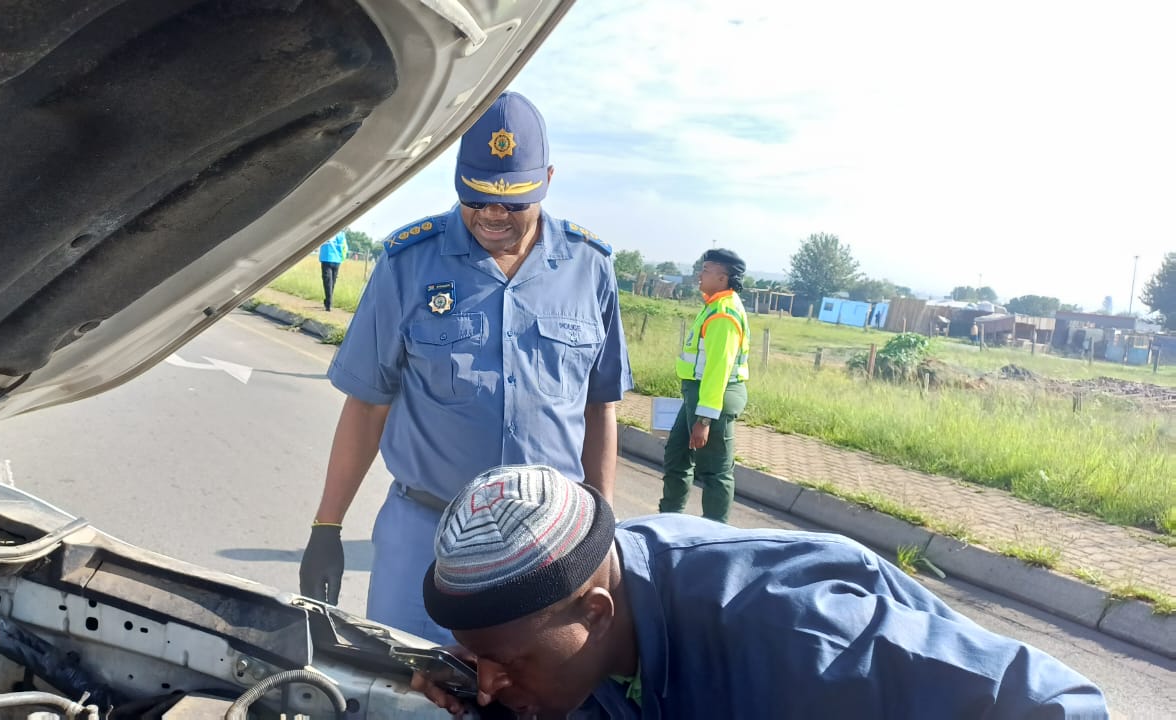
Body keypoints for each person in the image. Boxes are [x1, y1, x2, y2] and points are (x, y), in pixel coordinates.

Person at [298, 91, 633, 644]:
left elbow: (602, 407)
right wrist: (327, 526)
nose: (492, 214)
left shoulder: (589, 270)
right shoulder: (409, 263)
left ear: (547, 179)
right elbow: (367, 405)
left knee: (518, 696)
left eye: (512, 200)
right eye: (476, 198)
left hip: (544, 548)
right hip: (423, 535)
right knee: (401, 691)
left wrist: (603, 531)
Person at [415, 465, 1110, 719]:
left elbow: (1057, 704)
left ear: (595, 613)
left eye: (506, 664)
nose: (489, 680)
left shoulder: (798, 638)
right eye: (477, 659)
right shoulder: (592, 617)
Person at [657, 248, 749, 524]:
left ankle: (715, 534)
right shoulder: (713, 305)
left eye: (706, 270)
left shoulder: (724, 313)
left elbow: (717, 370)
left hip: (713, 398)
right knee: (677, 459)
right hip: (697, 395)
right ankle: (668, 523)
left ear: (723, 278)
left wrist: (705, 419)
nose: (700, 274)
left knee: (715, 472)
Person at [317, 230, 347, 311]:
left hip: (326, 258)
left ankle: (329, 303)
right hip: (337, 260)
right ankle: (328, 301)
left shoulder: (327, 231)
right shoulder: (341, 234)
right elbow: (345, 248)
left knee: (327, 282)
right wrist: (341, 259)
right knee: (332, 282)